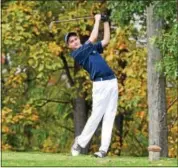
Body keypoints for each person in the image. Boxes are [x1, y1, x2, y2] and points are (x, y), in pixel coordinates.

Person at [64, 14, 118, 158]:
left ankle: (103, 150)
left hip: (112, 81)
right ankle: (79, 142)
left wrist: (106, 22)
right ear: (70, 46)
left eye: (75, 39)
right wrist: (98, 20)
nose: (74, 41)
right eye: (71, 41)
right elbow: (93, 37)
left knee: (109, 116)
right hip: (100, 85)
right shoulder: (78, 53)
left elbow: (105, 41)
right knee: (96, 116)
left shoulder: (90, 48)